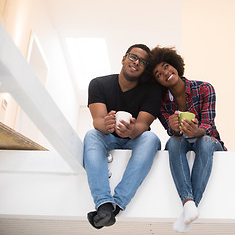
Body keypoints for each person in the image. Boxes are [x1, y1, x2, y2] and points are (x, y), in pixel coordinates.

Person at [148, 46, 226, 233]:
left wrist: (196, 131)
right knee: (173, 143)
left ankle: (188, 208)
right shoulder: (162, 103)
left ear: (175, 65)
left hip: (209, 141)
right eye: (158, 74)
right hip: (183, 142)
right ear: (156, 81)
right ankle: (189, 204)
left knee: (204, 141)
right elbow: (170, 131)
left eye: (166, 66)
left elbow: (209, 125)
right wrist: (175, 129)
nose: (165, 73)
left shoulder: (205, 88)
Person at [83, 44, 162, 229]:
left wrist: (131, 131)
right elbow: (98, 121)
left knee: (151, 139)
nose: (136, 63)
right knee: (91, 135)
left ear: (145, 69)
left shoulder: (152, 91)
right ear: (124, 58)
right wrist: (106, 124)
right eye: (133, 57)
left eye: (142, 62)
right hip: (108, 136)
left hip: (135, 138)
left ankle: (115, 205)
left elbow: (143, 125)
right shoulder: (98, 84)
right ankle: (103, 203)